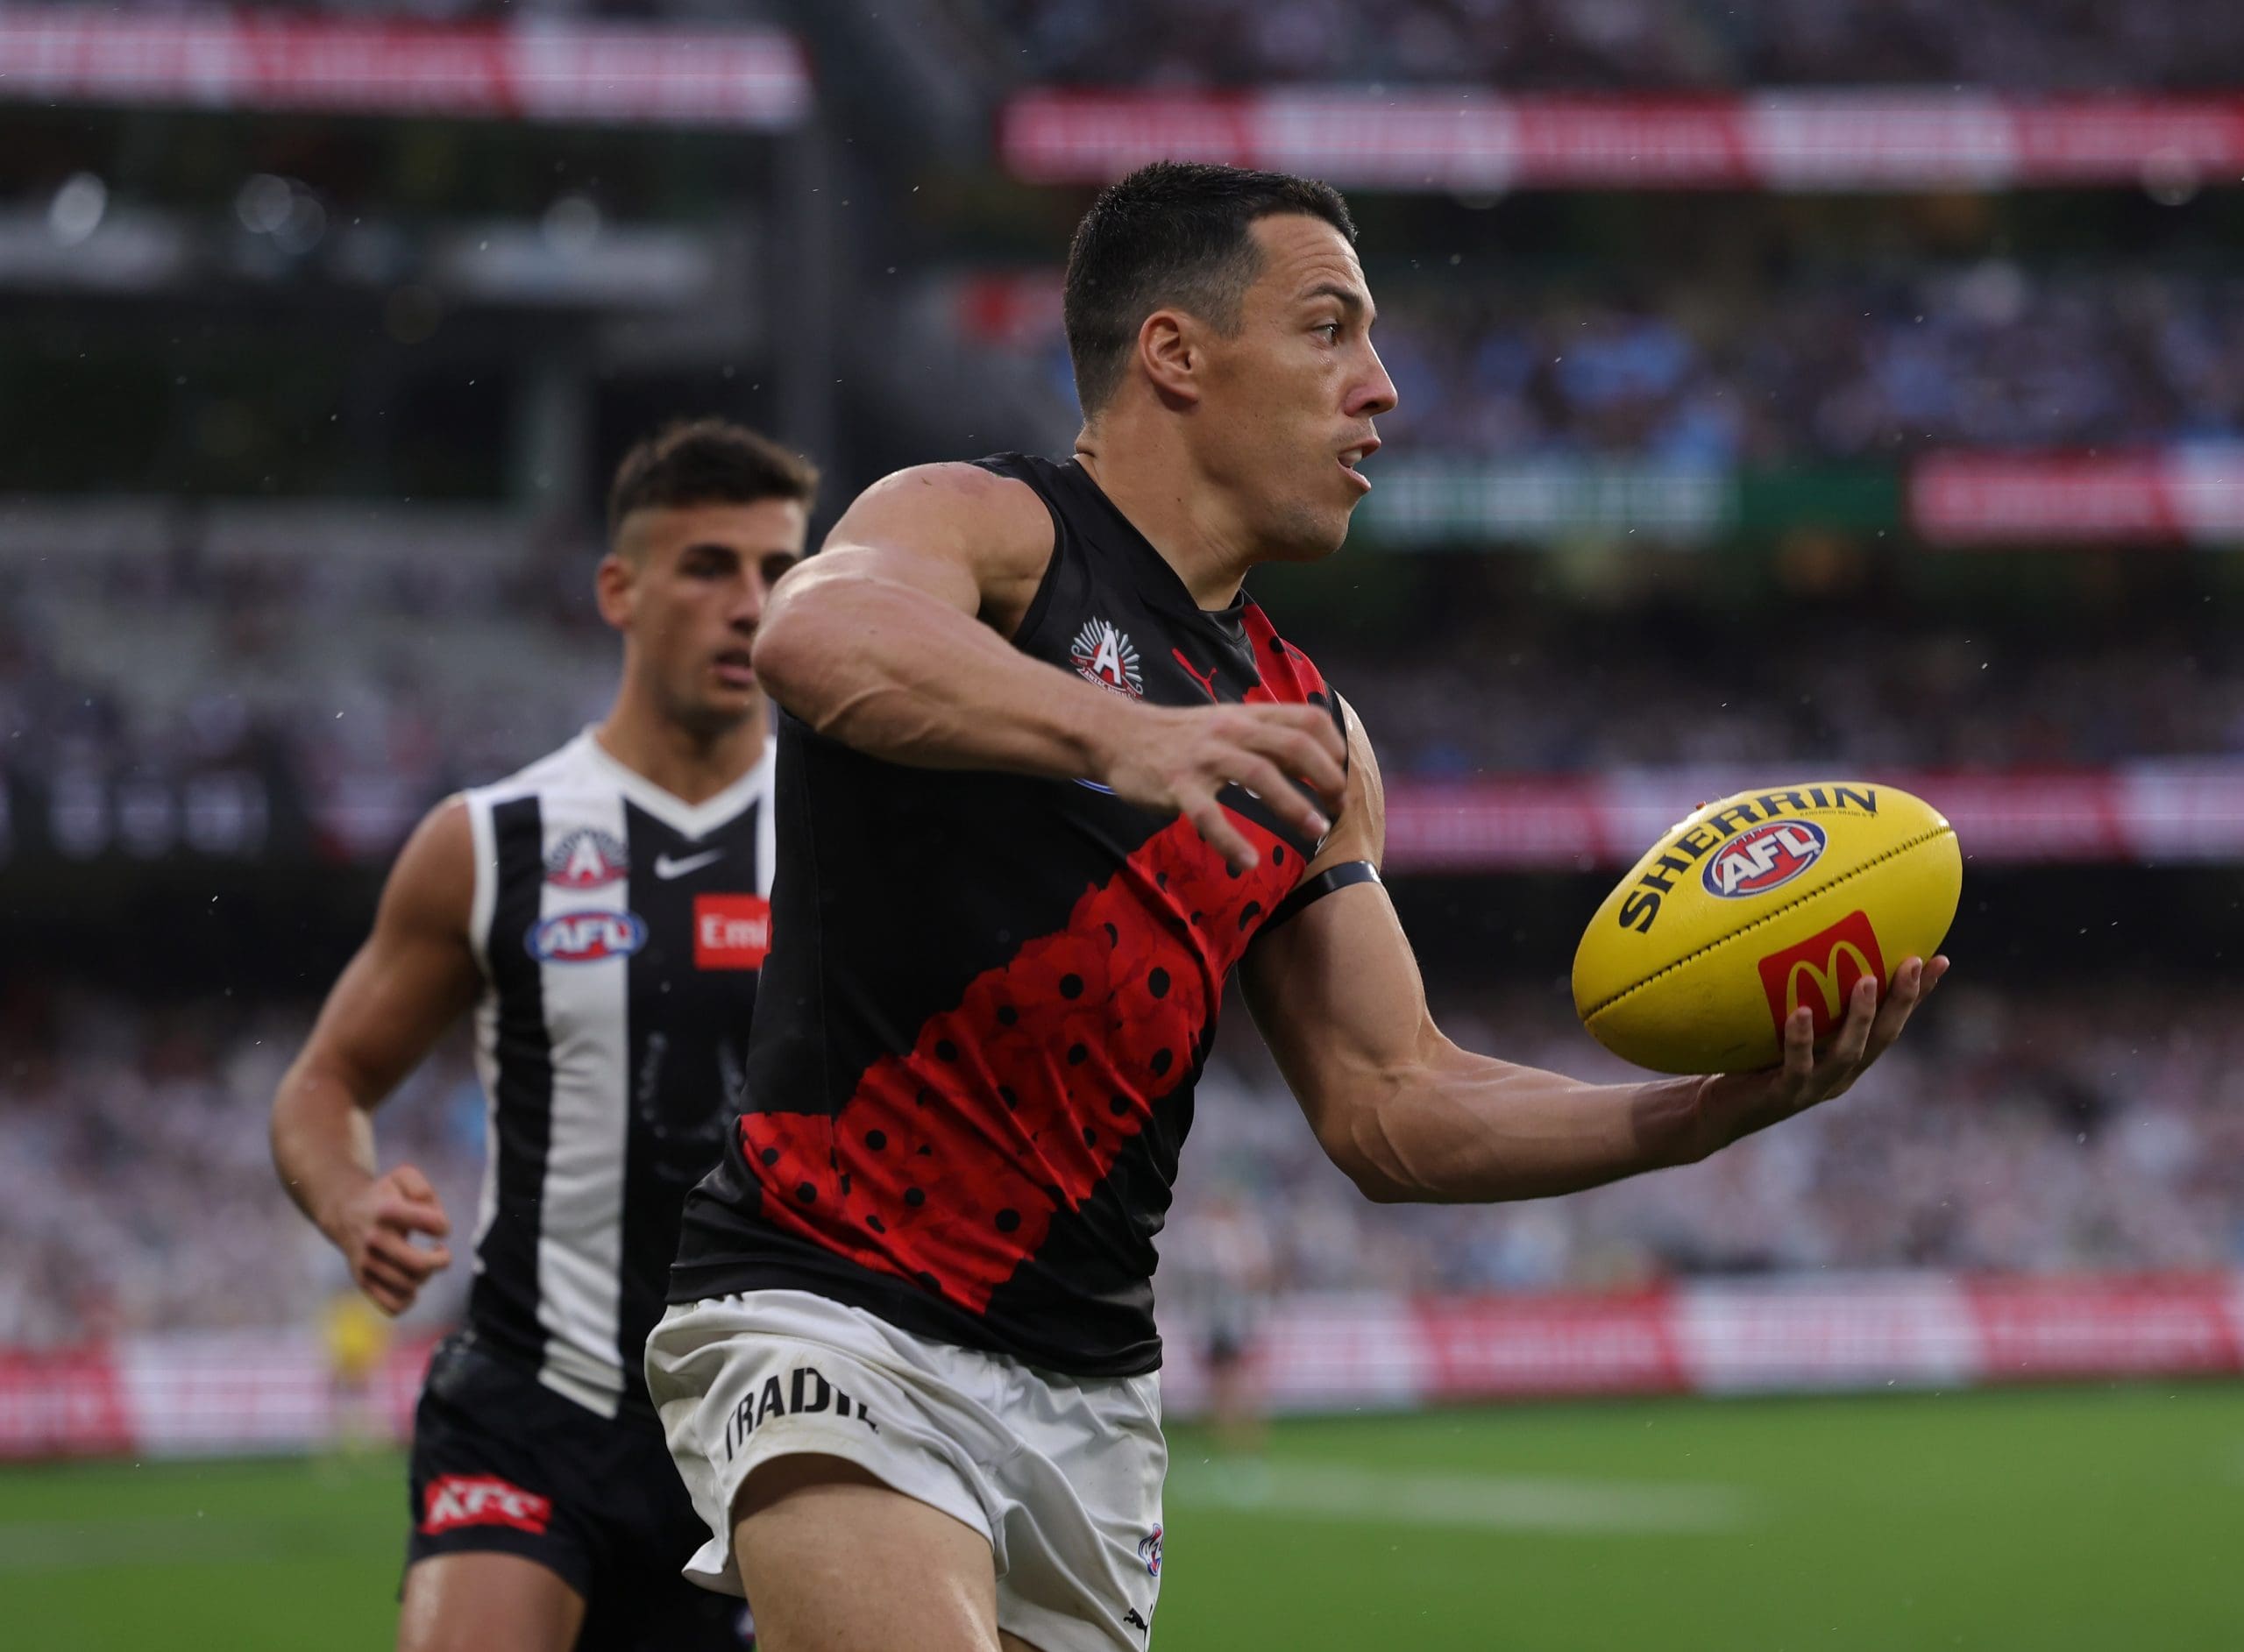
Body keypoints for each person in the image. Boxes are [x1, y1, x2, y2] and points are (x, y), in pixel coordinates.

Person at [647, 162, 1949, 1652]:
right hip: (835, 1302)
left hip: (1090, 1395)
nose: (1382, 388)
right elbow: (819, 631)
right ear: (1176, 355)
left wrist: (1702, 1115)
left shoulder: (1310, 735)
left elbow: (1397, 1104)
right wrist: (1122, 733)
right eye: (1332, 328)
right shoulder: (990, 527)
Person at [271, 418, 816, 1652]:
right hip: (531, 1398)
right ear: (619, 589)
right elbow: (326, 1078)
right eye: (709, 566)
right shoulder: (491, 839)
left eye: (780, 572)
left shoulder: (849, 848)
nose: (750, 605)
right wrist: (351, 1199)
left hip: (768, 1423)